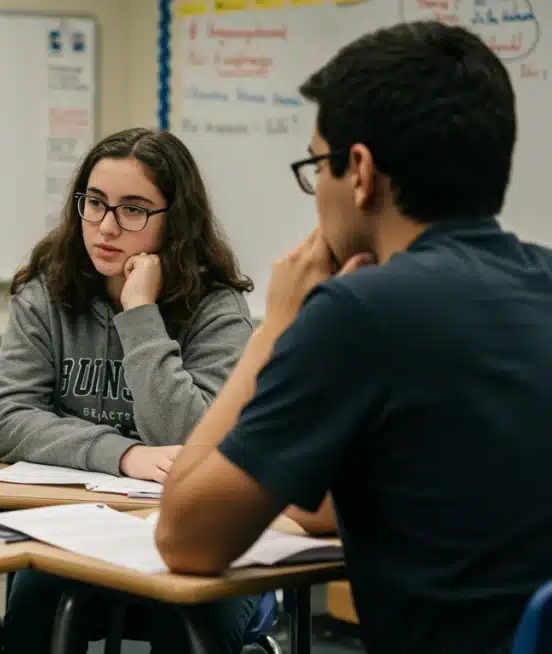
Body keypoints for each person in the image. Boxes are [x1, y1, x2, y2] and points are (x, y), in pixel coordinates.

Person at [157, 20, 552, 654]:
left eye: (318, 164)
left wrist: (279, 327)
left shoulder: (360, 313)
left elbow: (185, 536)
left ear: (361, 172)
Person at [0, 127, 258, 654]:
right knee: (35, 602)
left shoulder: (217, 307)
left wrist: (140, 314)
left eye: (133, 210)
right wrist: (123, 454)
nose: (106, 227)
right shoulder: (47, 290)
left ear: (175, 220)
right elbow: (7, 417)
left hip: (199, 536)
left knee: (191, 620)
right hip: (79, 530)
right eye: (95, 204)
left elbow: (193, 440)